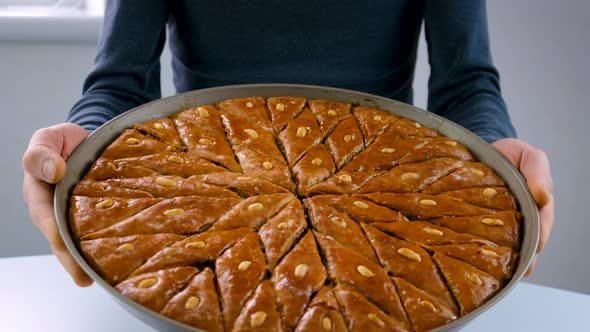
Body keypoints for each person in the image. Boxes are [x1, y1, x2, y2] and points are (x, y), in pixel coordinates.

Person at [22, 0, 553, 286]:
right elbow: (119, 85)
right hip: (200, 201)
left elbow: (465, 85)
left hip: (386, 203)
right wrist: (83, 146)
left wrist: (494, 157)